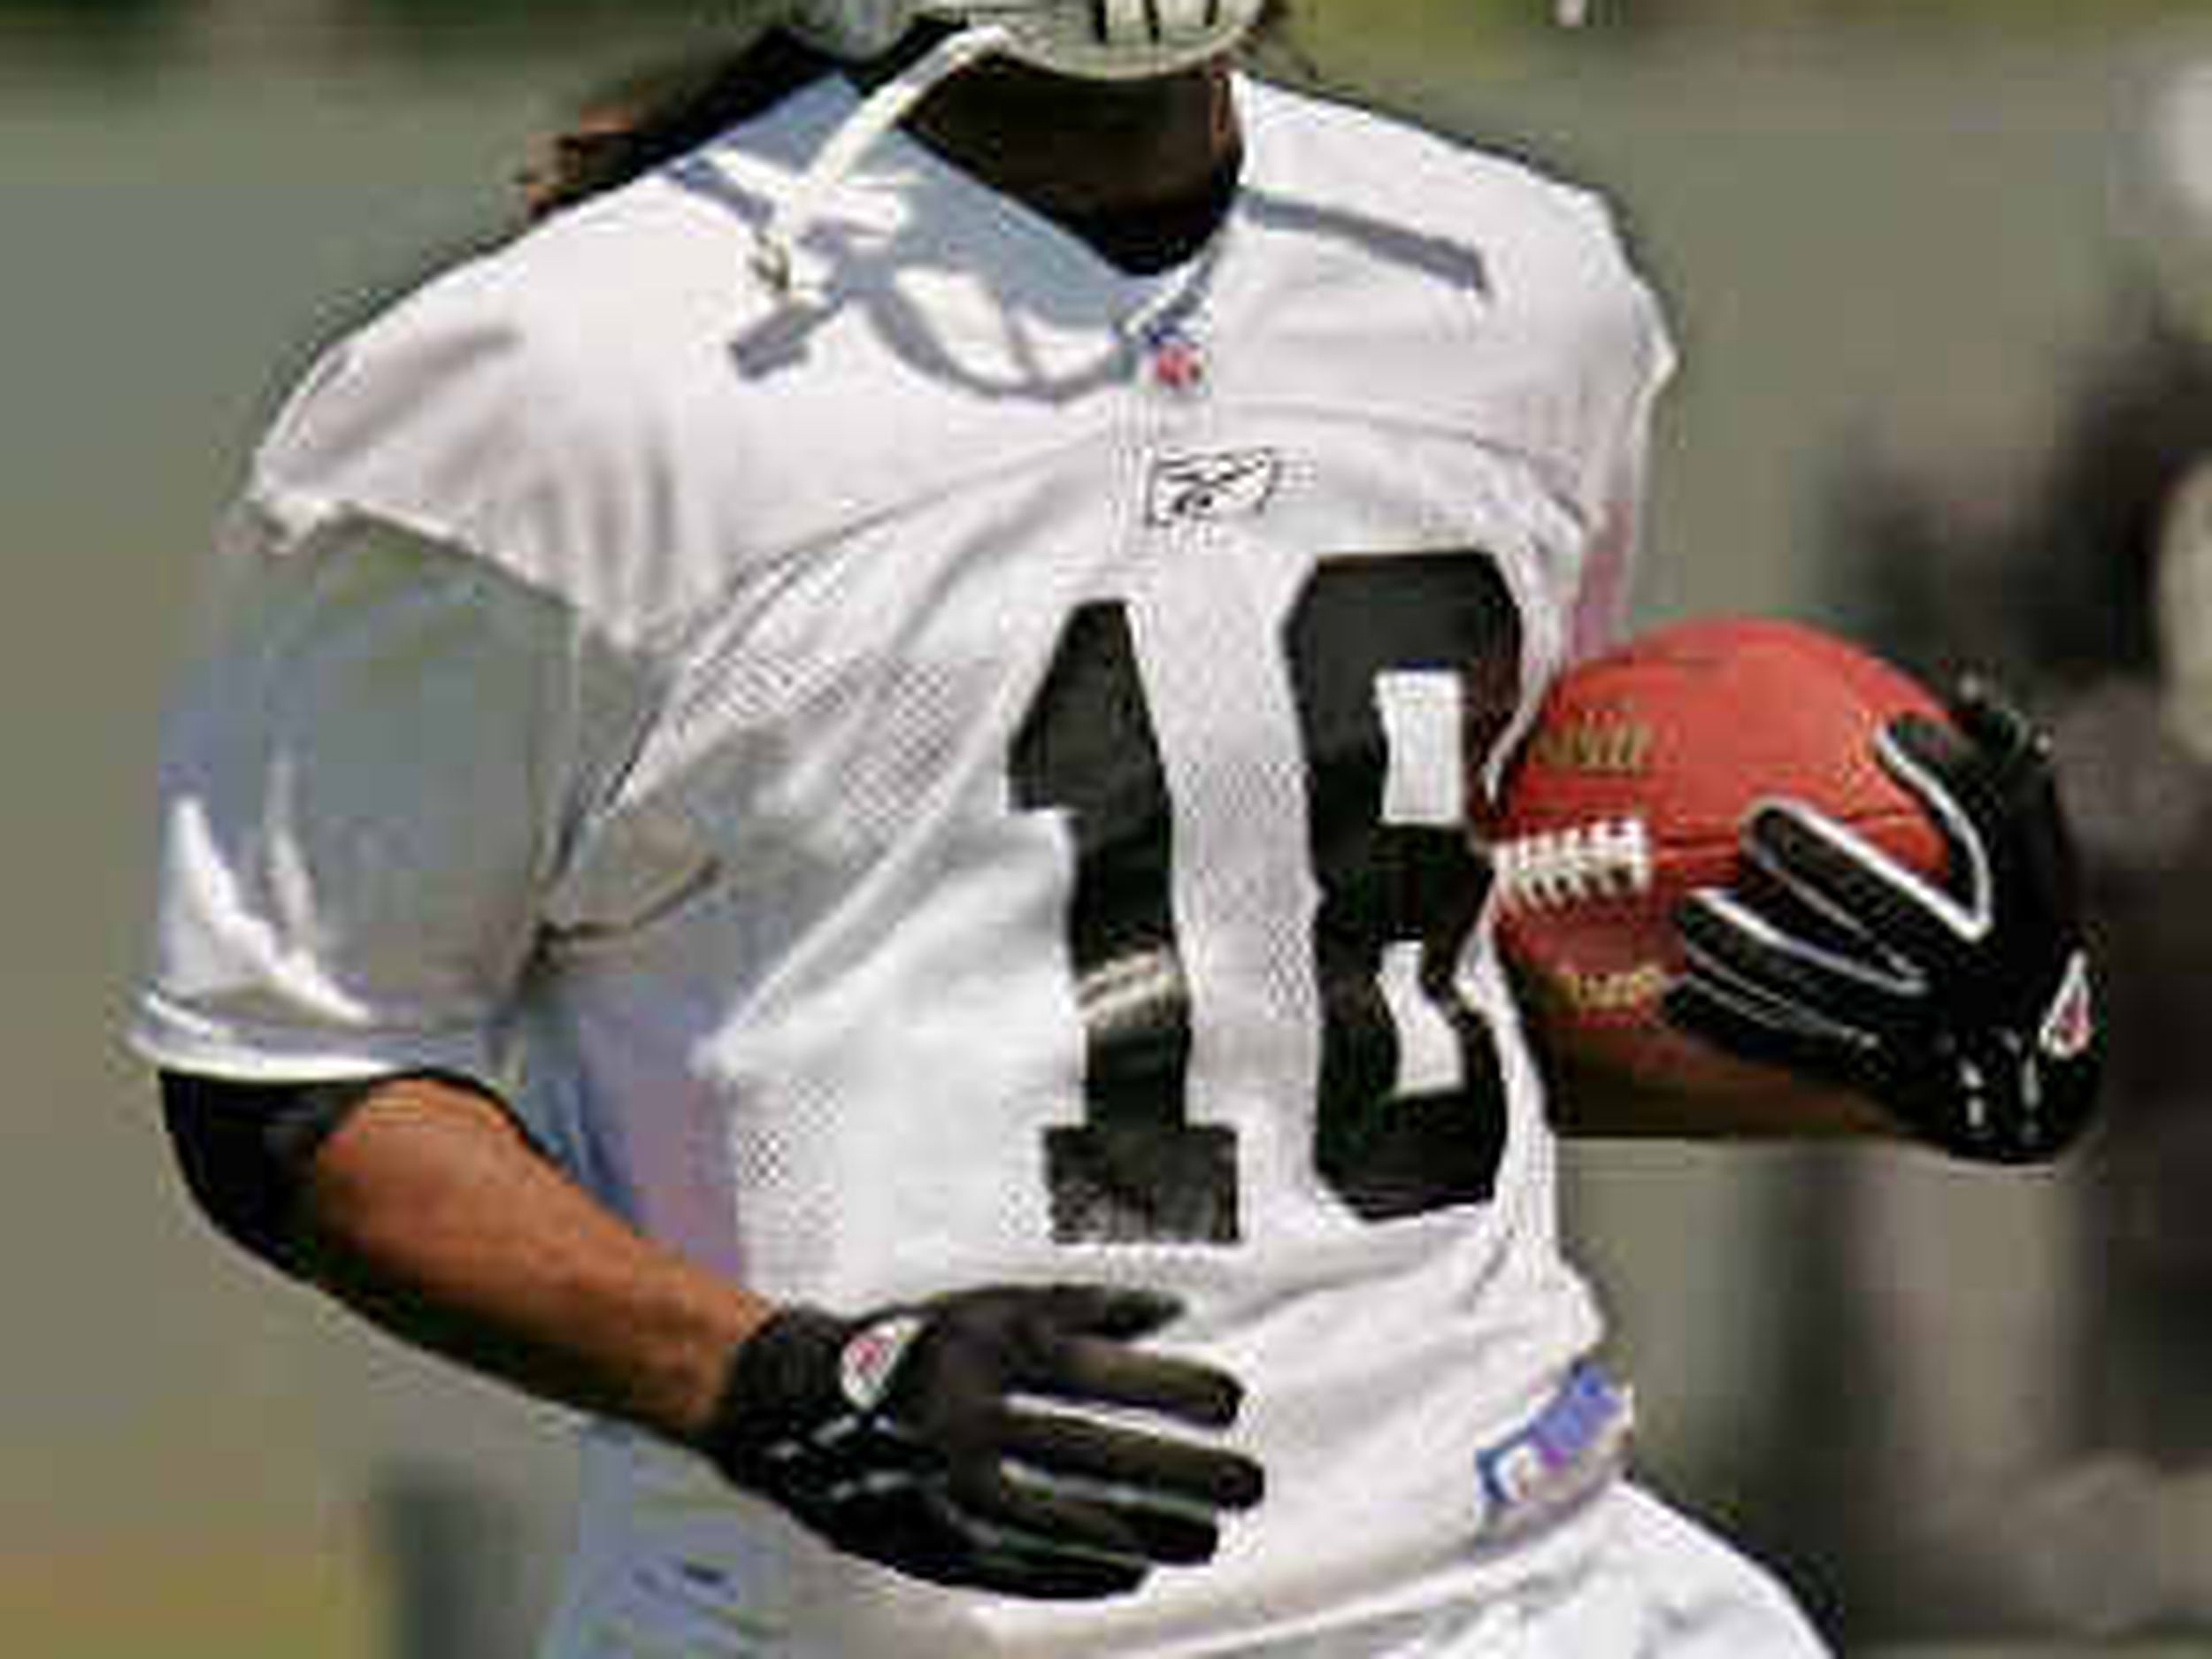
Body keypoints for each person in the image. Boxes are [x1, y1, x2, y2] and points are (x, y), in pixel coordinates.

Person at [132, 0, 2102, 1653]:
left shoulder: (1514, 292)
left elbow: (1333, 989)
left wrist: (1867, 1041)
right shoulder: (541, 387)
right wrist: (764, 1376)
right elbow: (294, 1084)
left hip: (1529, 1580)